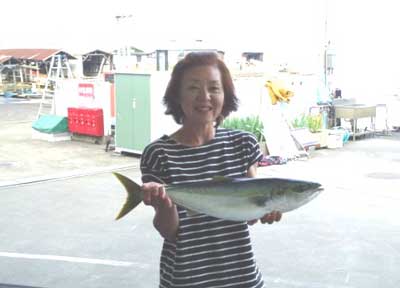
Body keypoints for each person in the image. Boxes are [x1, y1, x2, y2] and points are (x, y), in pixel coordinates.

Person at [140, 52, 282, 288]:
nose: (204, 97)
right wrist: (164, 203)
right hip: (186, 280)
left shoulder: (243, 144)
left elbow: (247, 217)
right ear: (177, 95)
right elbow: (170, 231)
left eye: (214, 88)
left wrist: (264, 210)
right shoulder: (159, 153)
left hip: (242, 278)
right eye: (193, 88)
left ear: (225, 95)